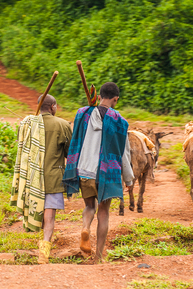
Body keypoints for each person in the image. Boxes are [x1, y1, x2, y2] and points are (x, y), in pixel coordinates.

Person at [63, 82, 135, 262]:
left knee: (89, 207)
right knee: (103, 213)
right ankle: (98, 256)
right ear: (115, 99)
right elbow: (123, 152)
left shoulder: (83, 114)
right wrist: (129, 179)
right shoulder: (119, 121)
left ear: (100, 95)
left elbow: (76, 138)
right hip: (106, 173)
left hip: (84, 170)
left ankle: (85, 227)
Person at [10, 94, 72, 264]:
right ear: (52, 107)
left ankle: (41, 241)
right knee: (49, 215)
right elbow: (69, 153)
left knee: (38, 208)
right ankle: (44, 250)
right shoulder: (62, 124)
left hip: (31, 178)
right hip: (54, 176)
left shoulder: (27, 125)